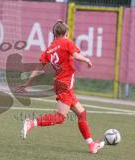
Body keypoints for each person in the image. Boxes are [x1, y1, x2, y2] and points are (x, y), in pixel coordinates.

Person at [16, 20, 104, 154]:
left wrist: (27, 83)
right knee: (60, 117)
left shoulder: (49, 49)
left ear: (54, 34)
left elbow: (38, 68)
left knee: (81, 113)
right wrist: (86, 60)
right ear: (66, 33)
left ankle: (91, 145)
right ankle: (31, 122)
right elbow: (75, 55)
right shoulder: (67, 42)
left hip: (60, 84)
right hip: (65, 85)